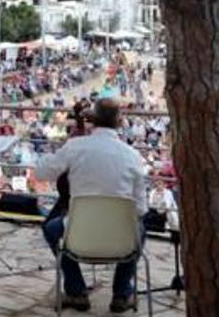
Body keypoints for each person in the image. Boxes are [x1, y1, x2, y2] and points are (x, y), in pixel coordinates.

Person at [35, 98, 147, 313]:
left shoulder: (75, 147)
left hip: (78, 236)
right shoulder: (133, 156)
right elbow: (140, 209)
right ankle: (122, 294)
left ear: (93, 120)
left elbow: (41, 172)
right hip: (121, 240)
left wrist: (57, 150)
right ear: (119, 122)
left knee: (50, 229)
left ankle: (76, 291)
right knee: (140, 229)